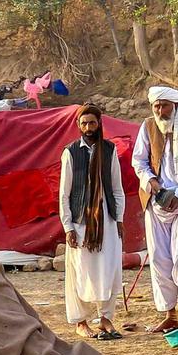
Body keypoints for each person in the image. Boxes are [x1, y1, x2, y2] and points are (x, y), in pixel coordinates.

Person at [131, 86, 178, 334]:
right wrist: (151, 181)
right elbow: (139, 160)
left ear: (175, 106)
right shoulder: (148, 127)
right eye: (156, 106)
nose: (160, 111)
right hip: (156, 202)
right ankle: (170, 314)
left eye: (164, 106)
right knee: (161, 260)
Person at [60, 105, 125, 339]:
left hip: (106, 220)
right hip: (80, 222)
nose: (88, 128)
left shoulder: (109, 150)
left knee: (108, 269)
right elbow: (64, 194)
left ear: (99, 124)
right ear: (79, 126)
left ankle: (106, 319)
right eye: (84, 123)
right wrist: (68, 226)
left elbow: (117, 189)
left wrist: (118, 218)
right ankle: (81, 322)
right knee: (80, 271)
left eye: (92, 123)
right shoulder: (70, 152)